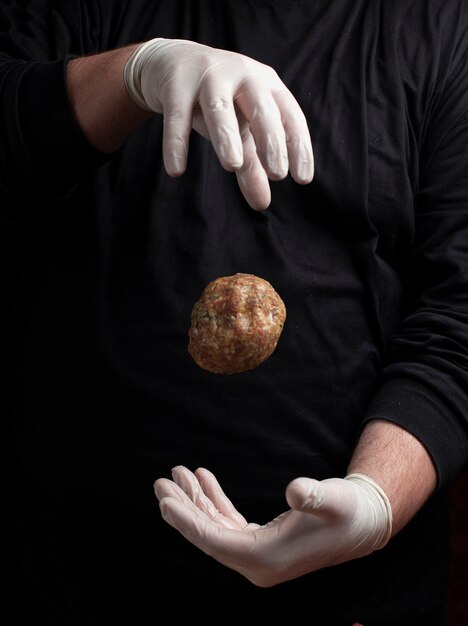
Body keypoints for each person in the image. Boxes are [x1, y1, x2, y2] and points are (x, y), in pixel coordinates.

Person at [1, 1, 467, 624]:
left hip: (346, 599)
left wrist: (376, 502)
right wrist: (131, 75)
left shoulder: (442, 27)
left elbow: (458, 314)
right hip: (73, 581)